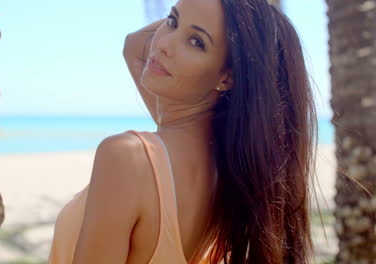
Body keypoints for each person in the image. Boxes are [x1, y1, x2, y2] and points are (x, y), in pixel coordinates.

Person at [49, 0, 318, 263]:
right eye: (172, 21)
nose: (163, 44)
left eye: (196, 42)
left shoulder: (129, 158)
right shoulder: (227, 171)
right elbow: (133, 45)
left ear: (227, 77)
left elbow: (135, 43)